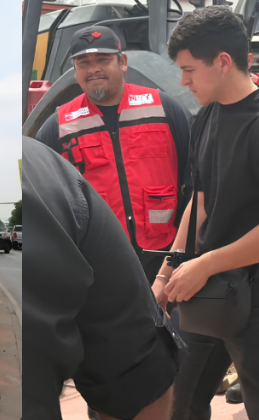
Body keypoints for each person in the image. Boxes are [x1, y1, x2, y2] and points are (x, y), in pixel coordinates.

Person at [157, 5, 259, 420]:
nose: (183, 81)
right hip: (207, 290)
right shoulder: (207, 116)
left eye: (189, 69)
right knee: (181, 402)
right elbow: (201, 201)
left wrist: (206, 264)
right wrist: (167, 272)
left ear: (223, 62)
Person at [22, 136, 178, 420]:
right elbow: (136, 372)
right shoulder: (50, 147)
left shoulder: (165, 110)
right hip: (117, 271)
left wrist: (166, 272)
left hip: (144, 261)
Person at [35, 24, 191, 283]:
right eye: (83, 62)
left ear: (123, 62)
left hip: (164, 258)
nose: (93, 68)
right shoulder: (58, 126)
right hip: (98, 263)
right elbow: (45, 201)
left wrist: (186, 254)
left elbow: (195, 182)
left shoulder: (165, 109)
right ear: (75, 70)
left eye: (103, 59)